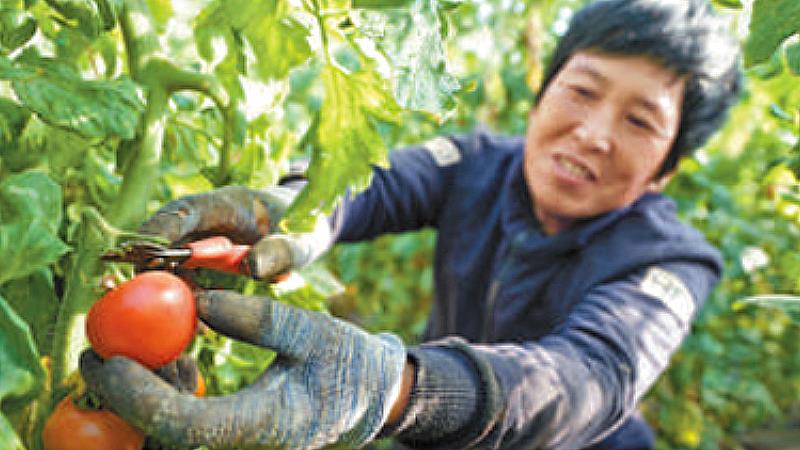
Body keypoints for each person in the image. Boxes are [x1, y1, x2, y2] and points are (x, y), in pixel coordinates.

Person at [79, 0, 742, 448]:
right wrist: (292, 212)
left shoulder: (670, 262)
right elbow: (380, 183)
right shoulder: (480, 165)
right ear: (546, 88)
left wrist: (398, 387)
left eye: (639, 122)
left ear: (666, 167)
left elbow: (591, 377)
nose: (594, 134)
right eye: (584, 90)